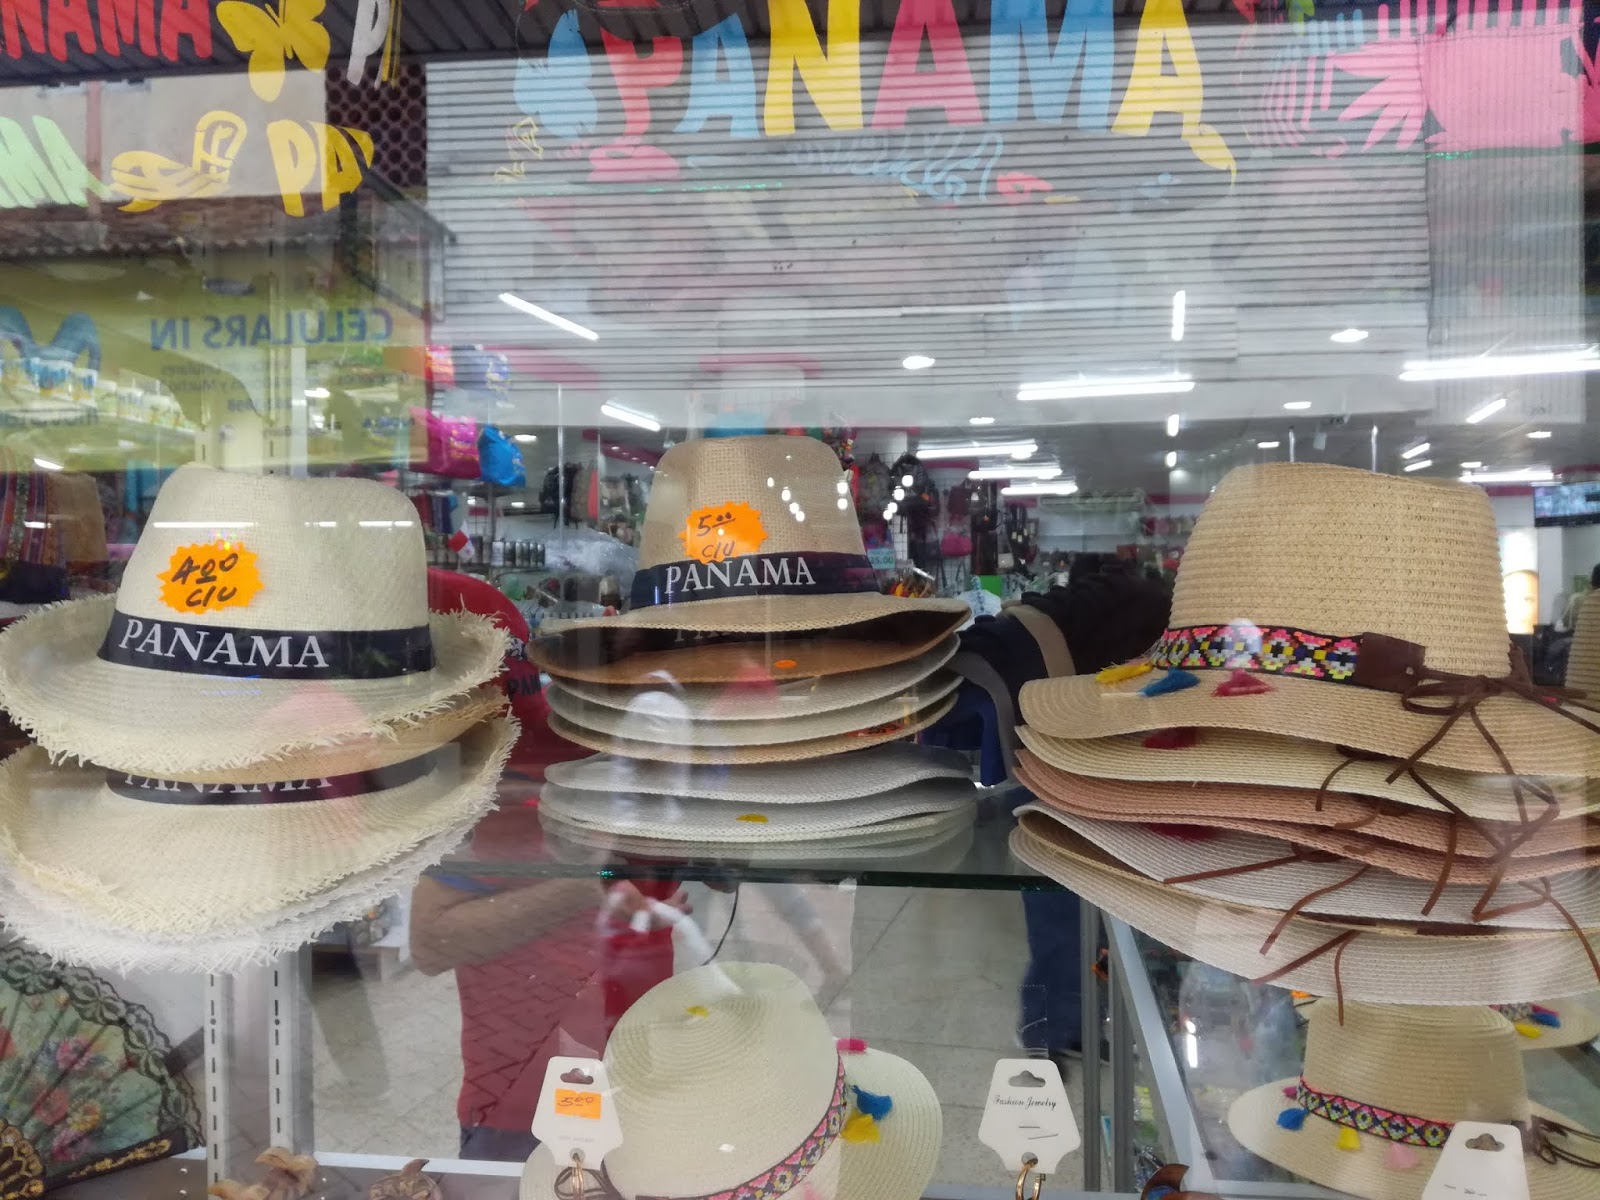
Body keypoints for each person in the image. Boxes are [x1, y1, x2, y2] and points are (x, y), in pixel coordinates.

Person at [411, 570, 687, 1161]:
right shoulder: (503, 786)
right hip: (536, 1084)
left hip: (596, 1074)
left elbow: (431, 942)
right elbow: (433, 942)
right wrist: (591, 886)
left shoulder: (521, 775)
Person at [1014, 569, 1173, 1059]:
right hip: (1064, 785)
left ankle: (1061, 1027)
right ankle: (1049, 1030)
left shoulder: (1089, 625)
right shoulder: (1142, 624)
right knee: (1065, 932)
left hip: (1066, 779)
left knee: (1071, 933)